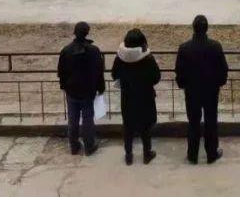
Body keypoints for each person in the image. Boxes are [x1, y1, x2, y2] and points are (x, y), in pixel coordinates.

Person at [175, 15, 228, 165]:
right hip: (211, 91)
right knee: (211, 121)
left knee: (193, 122)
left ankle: (192, 155)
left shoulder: (184, 48)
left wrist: (183, 84)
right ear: (207, 28)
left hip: (192, 92)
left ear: (193, 28)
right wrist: (219, 83)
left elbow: (179, 71)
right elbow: (223, 69)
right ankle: (211, 153)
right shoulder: (215, 46)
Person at [112, 28, 161, 166]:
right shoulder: (147, 59)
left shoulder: (120, 58)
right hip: (145, 97)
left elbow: (114, 74)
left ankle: (128, 155)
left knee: (127, 126)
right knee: (145, 126)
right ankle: (147, 154)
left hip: (127, 96)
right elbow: (156, 78)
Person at [56, 22, 105, 156]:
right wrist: (101, 87)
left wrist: (64, 86)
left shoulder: (66, 50)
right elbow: (99, 71)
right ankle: (89, 146)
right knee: (88, 118)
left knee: (73, 119)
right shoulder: (94, 50)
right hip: (88, 91)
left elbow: (61, 71)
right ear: (87, 33)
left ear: (74, 32)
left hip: (72, 90)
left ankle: (74, 145)